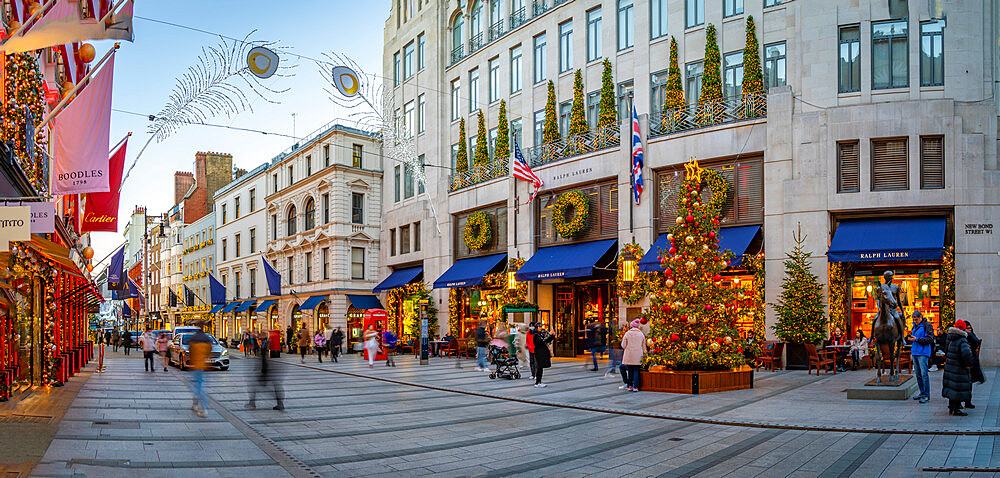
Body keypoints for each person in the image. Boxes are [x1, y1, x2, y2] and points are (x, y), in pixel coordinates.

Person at [942, 320, 975, 416]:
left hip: (950, 366)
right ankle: (956, 409)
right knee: (957, 387)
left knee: (952, 386)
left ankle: (951, 407)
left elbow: (946, 351)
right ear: (963, 328)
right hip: (958, 368)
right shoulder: (962, 339)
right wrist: (969, 364)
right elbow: (966, 354)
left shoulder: (950, 337)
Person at [246, 333, 284, 410]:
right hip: (268, 371)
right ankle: (280, 403)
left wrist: (261, 370)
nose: (258, 338)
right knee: (273, 387)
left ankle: (252, 403)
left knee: (254, 386)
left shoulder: (264, 346)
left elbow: (263, 359)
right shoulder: (265, 345)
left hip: (265, 371)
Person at [905, 310, 933, 403]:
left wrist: (916, 339)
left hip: (923, 353)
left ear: (921, 317)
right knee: (918, 375)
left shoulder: (927, 325)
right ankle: (922, 392)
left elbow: (930, 339)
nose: (915, 321)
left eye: (916, 319)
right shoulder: (915, 326)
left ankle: (926, 395)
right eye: (914, 319)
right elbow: (915, 339)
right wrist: (910, 339)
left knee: (924, 374)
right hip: (915, 352)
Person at [187, 324, 213, 418]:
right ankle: (195, 404)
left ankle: (203, 409)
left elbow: (190, 352)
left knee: (198, 387)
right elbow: (210, 350)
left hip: (195, 365)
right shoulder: (207, 339)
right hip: (203, 364)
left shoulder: (193, 339)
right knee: (199, 384)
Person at [619, 319, 647, 392]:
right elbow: (644, 346)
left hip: (629, 355)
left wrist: (627, 348)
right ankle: (636, 387)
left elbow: (623, 345)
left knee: (630, 370)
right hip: (638, 355)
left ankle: (629, 386)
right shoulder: (641, 334)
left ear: (631, 326)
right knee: (636, 371)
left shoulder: (627, 333)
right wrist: (645, 353)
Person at [963, 320, 985, 409]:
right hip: (963, 362)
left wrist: (970, 334)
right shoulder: (961, 337)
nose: (969, 330)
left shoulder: (971, 335)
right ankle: (959, 403)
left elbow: (976, 342)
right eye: (967, 328)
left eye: (970, 328)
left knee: (969, 382)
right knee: (963, 383)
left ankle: (968, 401)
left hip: (971, 362)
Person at [530, 322, 553, 388]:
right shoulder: (536, 335)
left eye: (541, 326)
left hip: (542, 352)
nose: (541, 328)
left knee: (541, 367)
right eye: (539, 327)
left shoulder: (540, 334)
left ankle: (539, 381)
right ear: (536, 328)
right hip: (538, 352)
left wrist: (552, 335)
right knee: (539, 367)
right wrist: (549, 335)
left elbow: (547, 340)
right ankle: (537, 382)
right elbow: (542, 341)